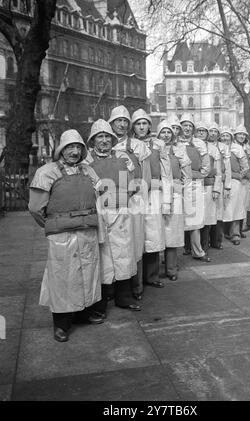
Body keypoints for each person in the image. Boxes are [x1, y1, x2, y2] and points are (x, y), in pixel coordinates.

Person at [28, 129, 105, 342]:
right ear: (61, 149)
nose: (74, 151)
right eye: (70, 147)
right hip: (61, 236)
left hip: (87, 230)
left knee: (87, 273)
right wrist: (55, 224)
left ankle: (83, 313)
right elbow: (35, 208)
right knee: (63, 276)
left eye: (78, 147)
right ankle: (61, 324)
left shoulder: (89, 171)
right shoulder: (47, 172)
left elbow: (100, 196)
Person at [85, 119, 141, 312]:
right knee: (102, 255)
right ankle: (100, 300)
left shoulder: (122, 158)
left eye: (107, 137)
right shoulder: (86, 162)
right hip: (99, 213)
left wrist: (123, 199)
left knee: (123, 252)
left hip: (121, 212)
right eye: (100, 137)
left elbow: (131, 184)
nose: (104, 140)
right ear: (92, 140)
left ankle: (123, 297)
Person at [108, 105, 151, 301]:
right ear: (111, 123)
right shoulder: (104, 143)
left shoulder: (139, 146)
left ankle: (136, 286)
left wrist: (142, 199)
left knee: (135, 242)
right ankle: (112, 288)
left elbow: (147, 177)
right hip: (110, 202)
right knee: (113, 246)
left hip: (134, 200)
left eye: (125, 121)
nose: (122, 124)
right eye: (119, 121)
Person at [131, 109, 173, 288]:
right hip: (135, 193)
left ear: (149, 125)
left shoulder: (158, 144)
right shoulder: (128, 144)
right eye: (138, 124)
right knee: (137, 235)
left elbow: (166, 173)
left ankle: (152, 276)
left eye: (144, 123)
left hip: (155, 192)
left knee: (154, 234)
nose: (141, 127)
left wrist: (167, 199)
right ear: (133, 126)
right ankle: (136, 281)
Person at [157, 120, 192, 280]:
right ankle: (154, 270)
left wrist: (180, 187)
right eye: (163, 132)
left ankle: (171, 268)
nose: (166, 135)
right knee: (155, 231)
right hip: (156, 194)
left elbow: (187, 175)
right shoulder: (152, 149)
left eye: (168, 132)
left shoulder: (179, 150)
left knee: (172, 231)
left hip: (175, 194)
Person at [179, 113, 210, 261]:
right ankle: (171, 255)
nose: (187, 128)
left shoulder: (199, 143)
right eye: (184, 125)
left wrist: (199, 175)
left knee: (195, 219)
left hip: (195, 185)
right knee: (174, 218)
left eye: (190, 126)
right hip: (178, 185)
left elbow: (206, 165)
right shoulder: (175, 143)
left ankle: (197, 251)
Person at [220, 127, 249, 245]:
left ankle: (235, 234)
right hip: (221, 182)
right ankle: (223, 234)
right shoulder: (217, 148)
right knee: (223, 209)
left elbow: (245, 166)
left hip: (234, 182)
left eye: (228, 136)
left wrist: (238, 176)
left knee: (235, 207)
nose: (225, 138)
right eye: (223, 136)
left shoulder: (237, 149)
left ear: (231, 137)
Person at [196, 122, 222, 254]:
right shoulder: (190, 146)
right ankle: (190, 247)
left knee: (207, 218)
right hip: (193, 187)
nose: (201, 133)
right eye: (199, 130)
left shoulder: (213, 149)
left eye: (203, 131)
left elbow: (218, 171)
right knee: (193, 217)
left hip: (208, 186)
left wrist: (216, 189)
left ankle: (204, 245)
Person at [234, 125, 250, 238]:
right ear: (235, 135)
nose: (242, 136)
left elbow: (249, 163)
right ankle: (234, 232)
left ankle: (239, 229)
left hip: (246, 179)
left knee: (243, 205)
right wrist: (240, 175)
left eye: (243, 134)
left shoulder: (246, 147)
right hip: (237, 178)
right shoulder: (233, 146)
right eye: (239, 134)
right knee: (236, 205)